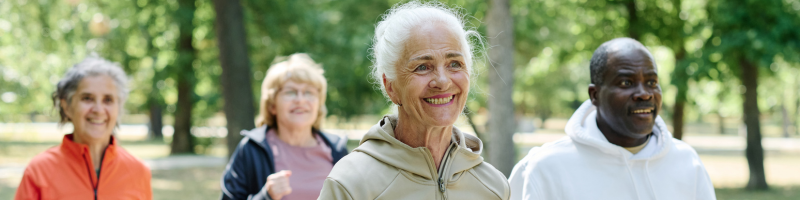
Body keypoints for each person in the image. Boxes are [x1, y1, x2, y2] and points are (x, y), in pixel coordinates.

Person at [318, 2, 510, 200]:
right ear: (390, 86)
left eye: (454, 64)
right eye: (422, 67)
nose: (442, 81)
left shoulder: (493, 187)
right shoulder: (351, 184)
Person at [508, 38, 716, 200]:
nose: (645, 94)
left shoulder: (687, 162)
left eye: (651, 82)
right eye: (626, 83)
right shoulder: (544, 168)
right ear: (595, 95)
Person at [14, 55, 152, 200]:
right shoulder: (39, 171)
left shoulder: (138, 172)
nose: (98, 109)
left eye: (108, 100)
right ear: (67, 106)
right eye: (87, 98)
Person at [220, 53, 348, 200]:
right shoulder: (251, 149)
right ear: (272, 105)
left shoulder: (337, 150)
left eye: (309, 92)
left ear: (318, 104)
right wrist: (266, 196)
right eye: (290, 92)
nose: (300, 100)